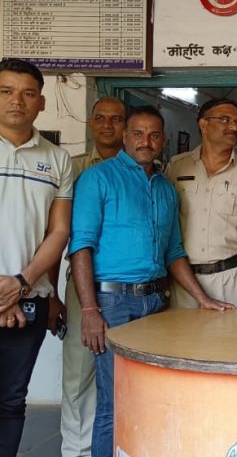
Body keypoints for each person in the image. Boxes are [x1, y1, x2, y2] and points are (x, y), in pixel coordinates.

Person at [69, 106, 234, 457]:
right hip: (113, 304)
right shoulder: (98, 179)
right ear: (125, 136)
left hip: (158, 304)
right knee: (114, 399)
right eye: (138, 134)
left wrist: (202, 298)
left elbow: (173, 252)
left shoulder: (165, 188)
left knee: (153, 396)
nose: (146, 141)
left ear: (163, 140)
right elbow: (81, 246)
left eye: (154, 135)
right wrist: (89, 310)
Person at [0, 58, 72, 457]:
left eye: (28, 94)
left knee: (12, 399)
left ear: (41, 103)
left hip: (29, 296)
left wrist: (19, 283)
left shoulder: (58, 159)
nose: (17, 101)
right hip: (11, 293)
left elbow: (58, 232)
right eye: (6, 91)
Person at [166, 98, 237, 309]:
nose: (234, 127)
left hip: (231, 277)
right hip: (184, 279)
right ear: (203, 124)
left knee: (234, 331)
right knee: (180, 331)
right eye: (225, 120)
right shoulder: (176, 167)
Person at [60, 96, 127, 457]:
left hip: (128, 288)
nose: (107, 125)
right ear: (90, 123)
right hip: (83, 285)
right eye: (100, 118)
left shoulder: (143, 169)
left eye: (115, 119)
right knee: (80, 371)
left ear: (125, 126)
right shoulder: (72, 168)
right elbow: (57, 232)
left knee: (123, 373)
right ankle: (76, 450)